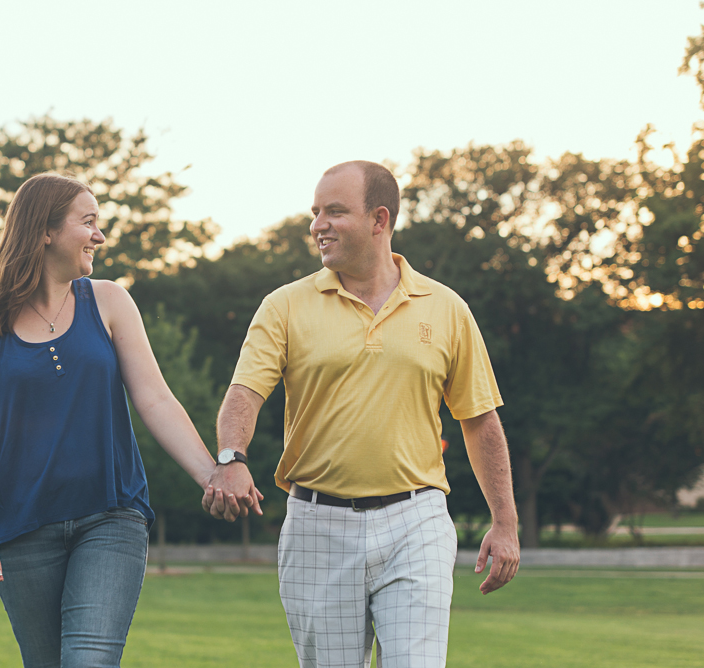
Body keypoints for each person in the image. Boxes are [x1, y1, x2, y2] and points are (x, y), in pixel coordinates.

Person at [204, 161, 519, 667]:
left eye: (334, 211)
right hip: (315, 524)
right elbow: (244, 393)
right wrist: (231, 457)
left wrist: (505, 522)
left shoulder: (445, 308)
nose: (317, 225)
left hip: (416, 519)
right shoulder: (284, 306)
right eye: (315, 213)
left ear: (379, 219)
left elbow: (480, 419)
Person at [0, 172, 262, 668]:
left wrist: (212, 472)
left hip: (111, 515)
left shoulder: (110, 301)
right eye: (89, 222)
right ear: (45, 231)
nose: (99, 235)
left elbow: (155, 399)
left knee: (89, 660)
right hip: (22, 526)